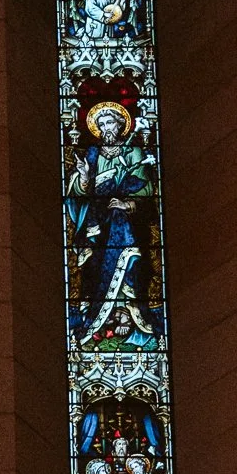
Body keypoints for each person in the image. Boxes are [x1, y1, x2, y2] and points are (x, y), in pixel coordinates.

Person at [66, 100, 159, 343]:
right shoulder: (93, 154)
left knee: (124, 235)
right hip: (97, 221)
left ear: (120, 126)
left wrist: (126, 203)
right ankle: (98, 313)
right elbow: (79, 190)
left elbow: (146, 186)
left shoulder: (133, 152)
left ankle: (127, 311)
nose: (106, 127)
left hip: (124, 218)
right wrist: (85, 177)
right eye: (102, 123)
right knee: (94, 260)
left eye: (110, 123)